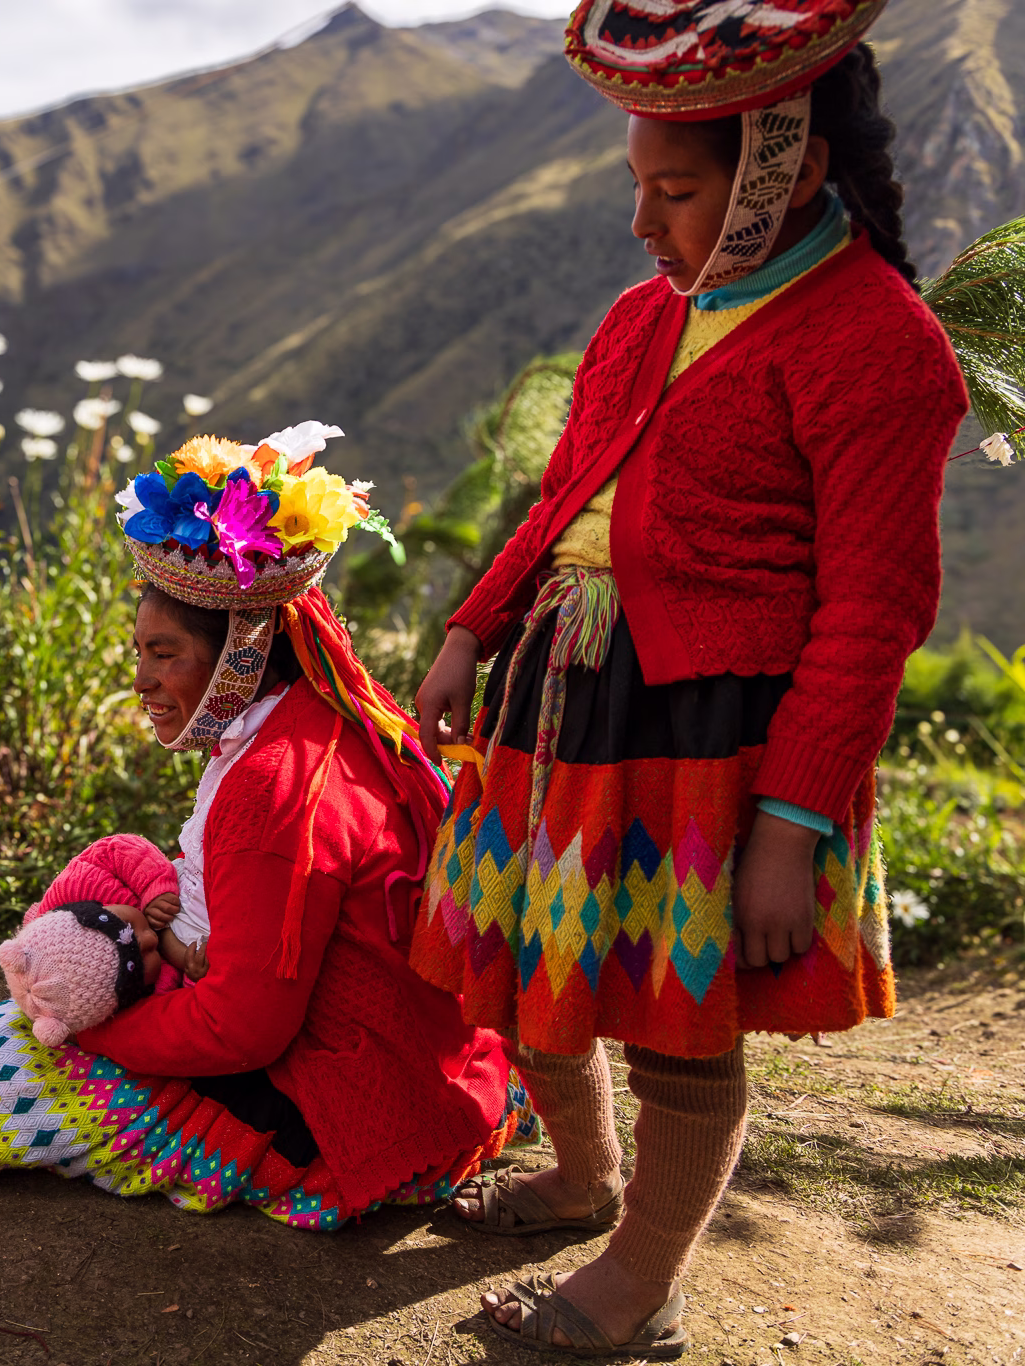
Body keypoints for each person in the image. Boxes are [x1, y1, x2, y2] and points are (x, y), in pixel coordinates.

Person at [409, 3, 965, 1356]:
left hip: (707, 727)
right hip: (562, 696)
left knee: (673, 1016)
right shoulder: (644, 317)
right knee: (529, 966)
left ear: (788, 172)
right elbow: (563, 496)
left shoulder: (877, 345)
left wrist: (794, 824)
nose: (645, 225)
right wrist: (473, 630)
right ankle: (583, 1174)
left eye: (676, 191)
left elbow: (873, 611)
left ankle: (642, 1276)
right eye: (636, 188)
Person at [0, 428, 533, 1228]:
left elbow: (243, 1028)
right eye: (139, 652)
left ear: (239, 651)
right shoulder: (307, 720)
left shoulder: (273, 790)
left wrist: (103, 1032)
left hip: (344, 1097)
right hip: (407, 1044)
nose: (142, 681)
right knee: (105, 889)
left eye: (164, 654)